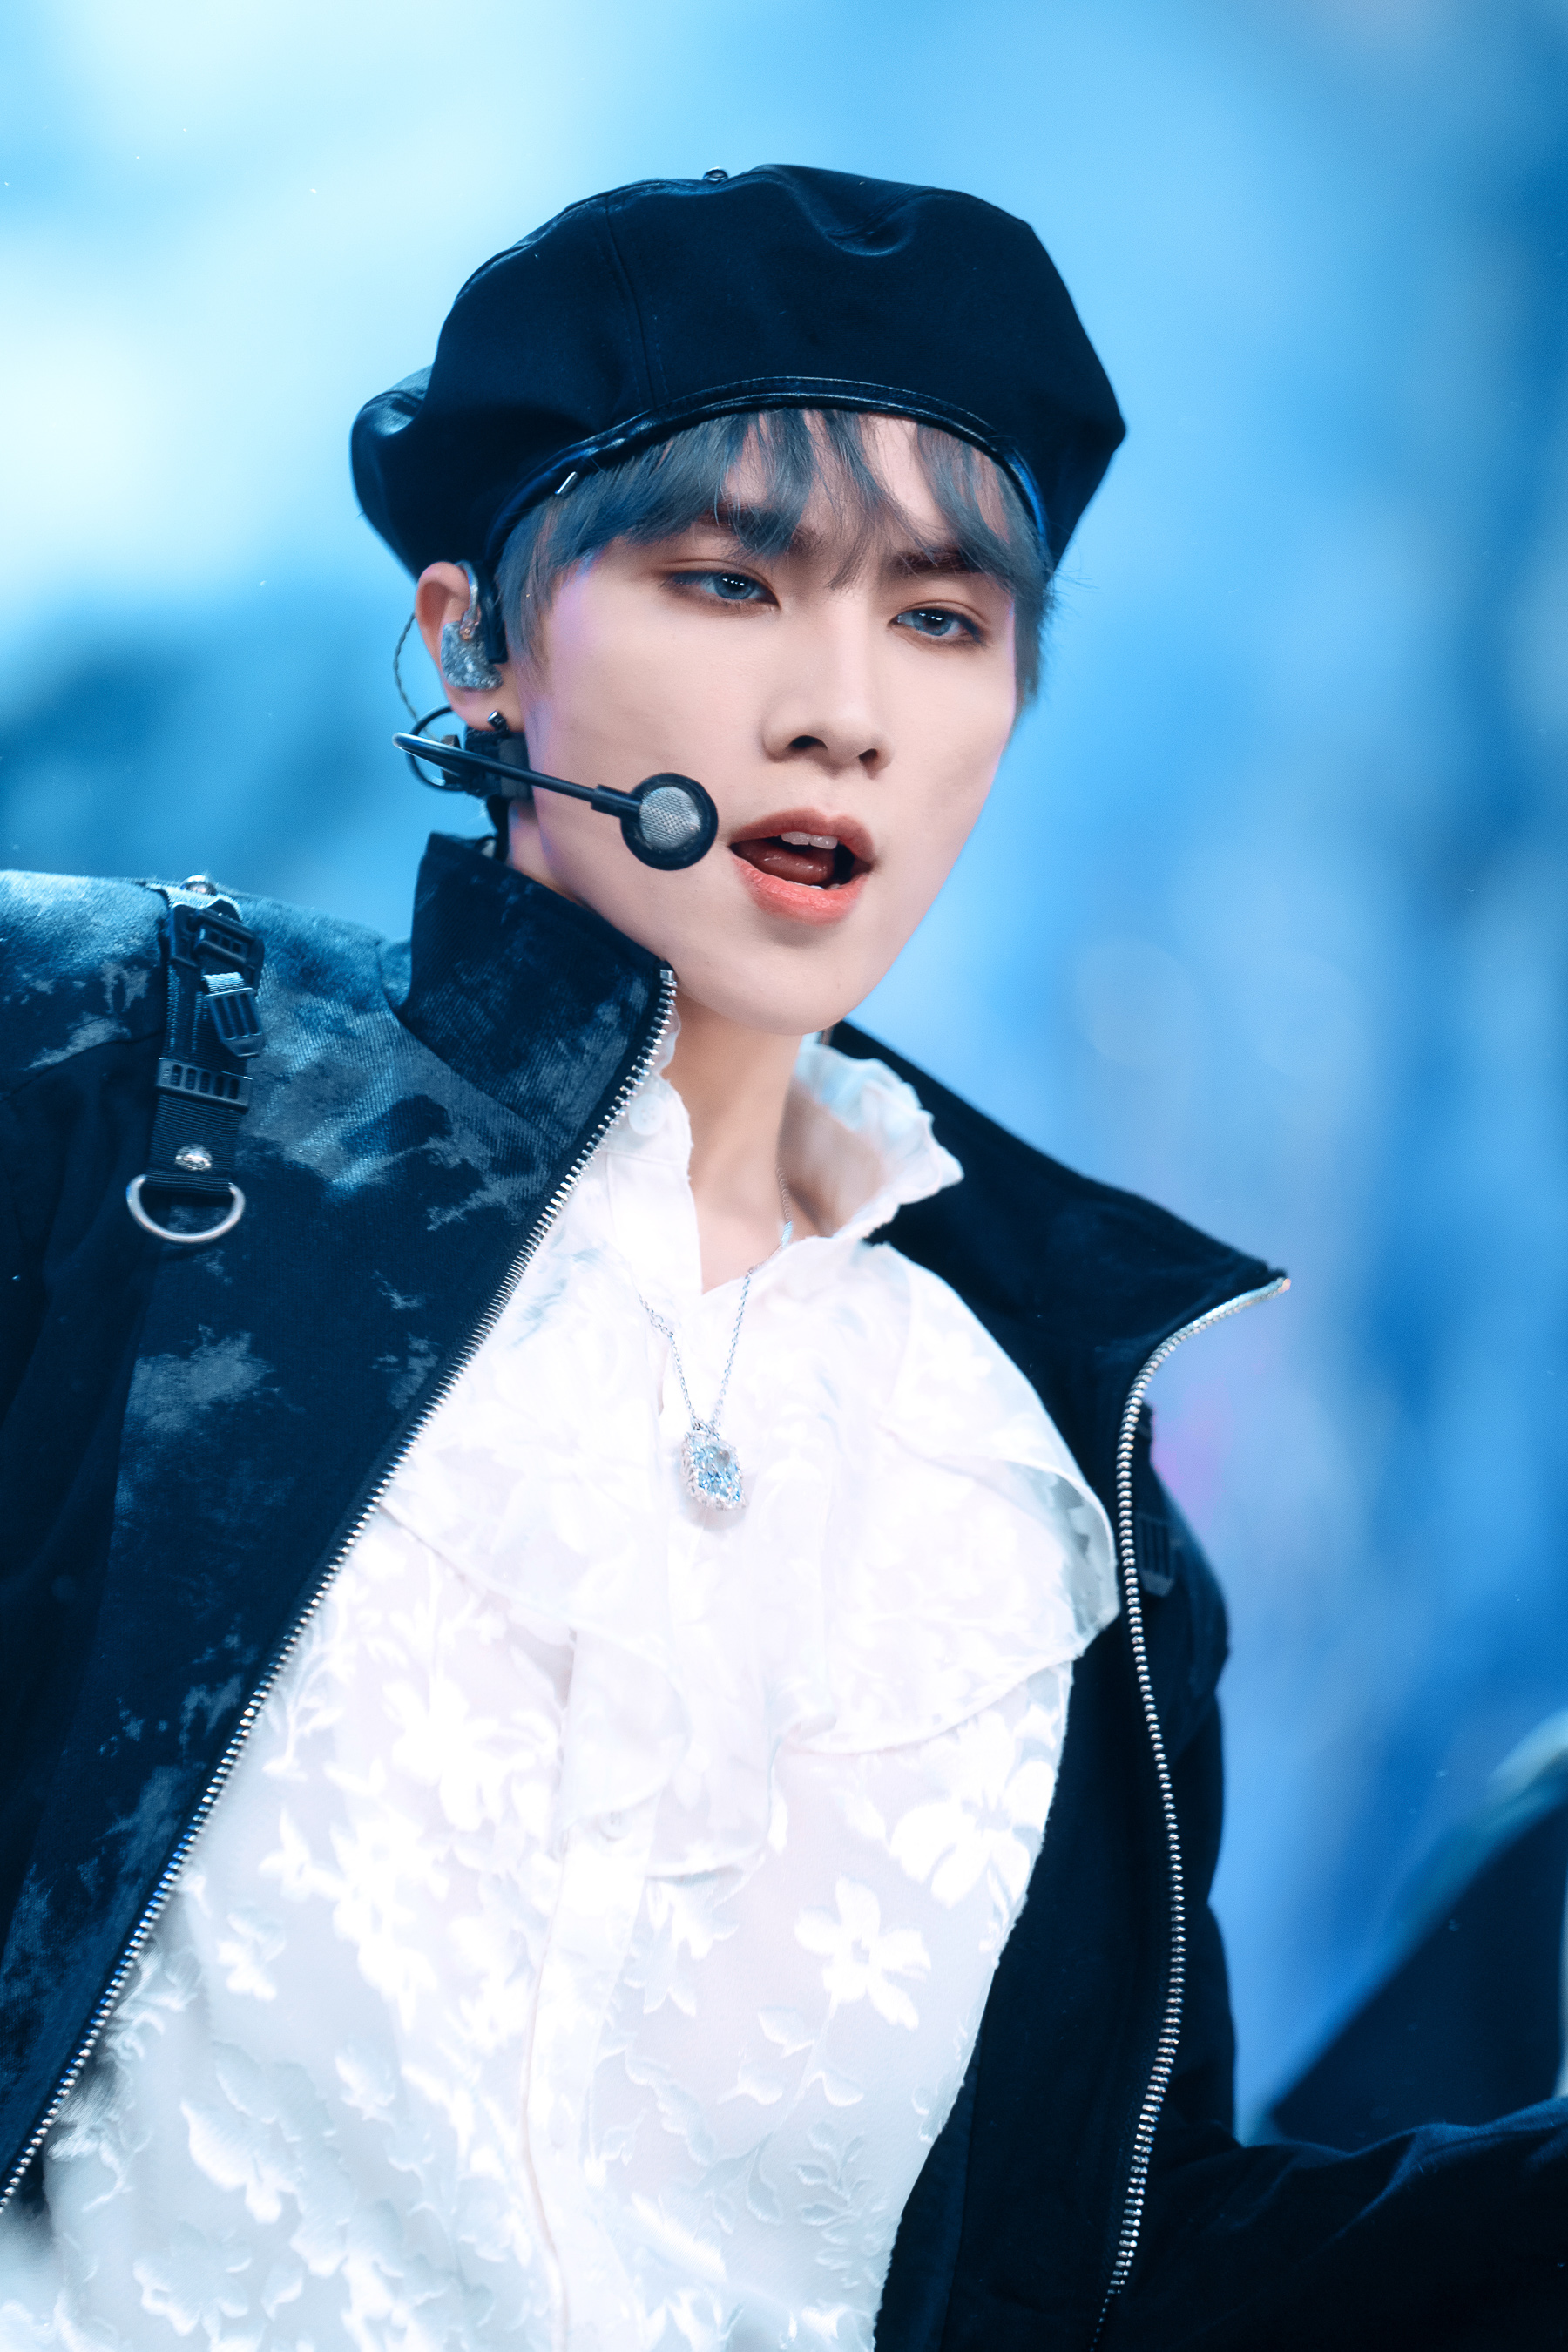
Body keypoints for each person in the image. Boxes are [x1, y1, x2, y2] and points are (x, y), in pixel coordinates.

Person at [0, 165, 1562, 2352]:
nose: (844, 711)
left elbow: (1090, 2285)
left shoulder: (1057, 1494)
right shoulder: (120, 1079)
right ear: (470, 641)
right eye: (730, 582)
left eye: (942, 619)